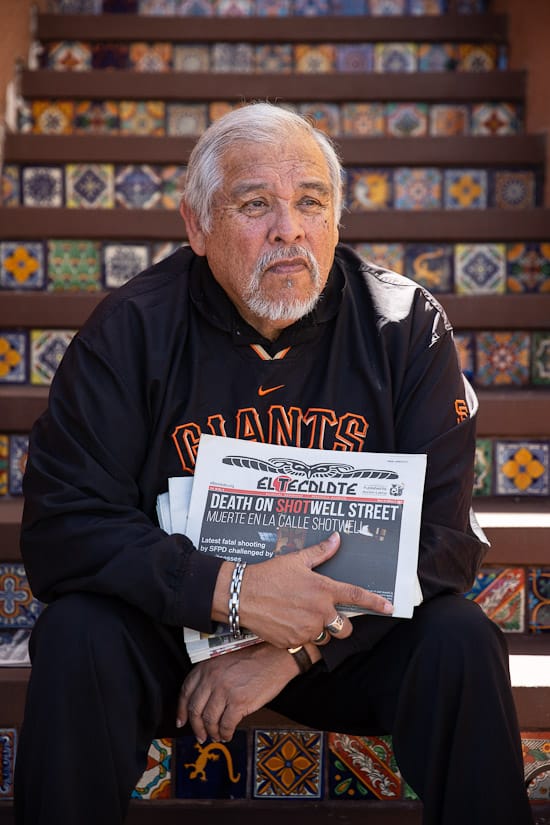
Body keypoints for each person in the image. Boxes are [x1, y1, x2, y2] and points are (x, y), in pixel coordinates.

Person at [15, 102, 533, 825]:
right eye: (256, 204)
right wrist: (229, 591)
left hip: (344, 645)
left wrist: (293, 649)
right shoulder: (130, 330)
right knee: (76, 634)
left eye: (311, 202)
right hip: (172, 635)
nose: (289, 228)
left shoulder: (404, 327)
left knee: (462, 639)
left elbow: (443, 542)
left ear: (337, 221)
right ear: (197, 226)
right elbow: (63, 527)